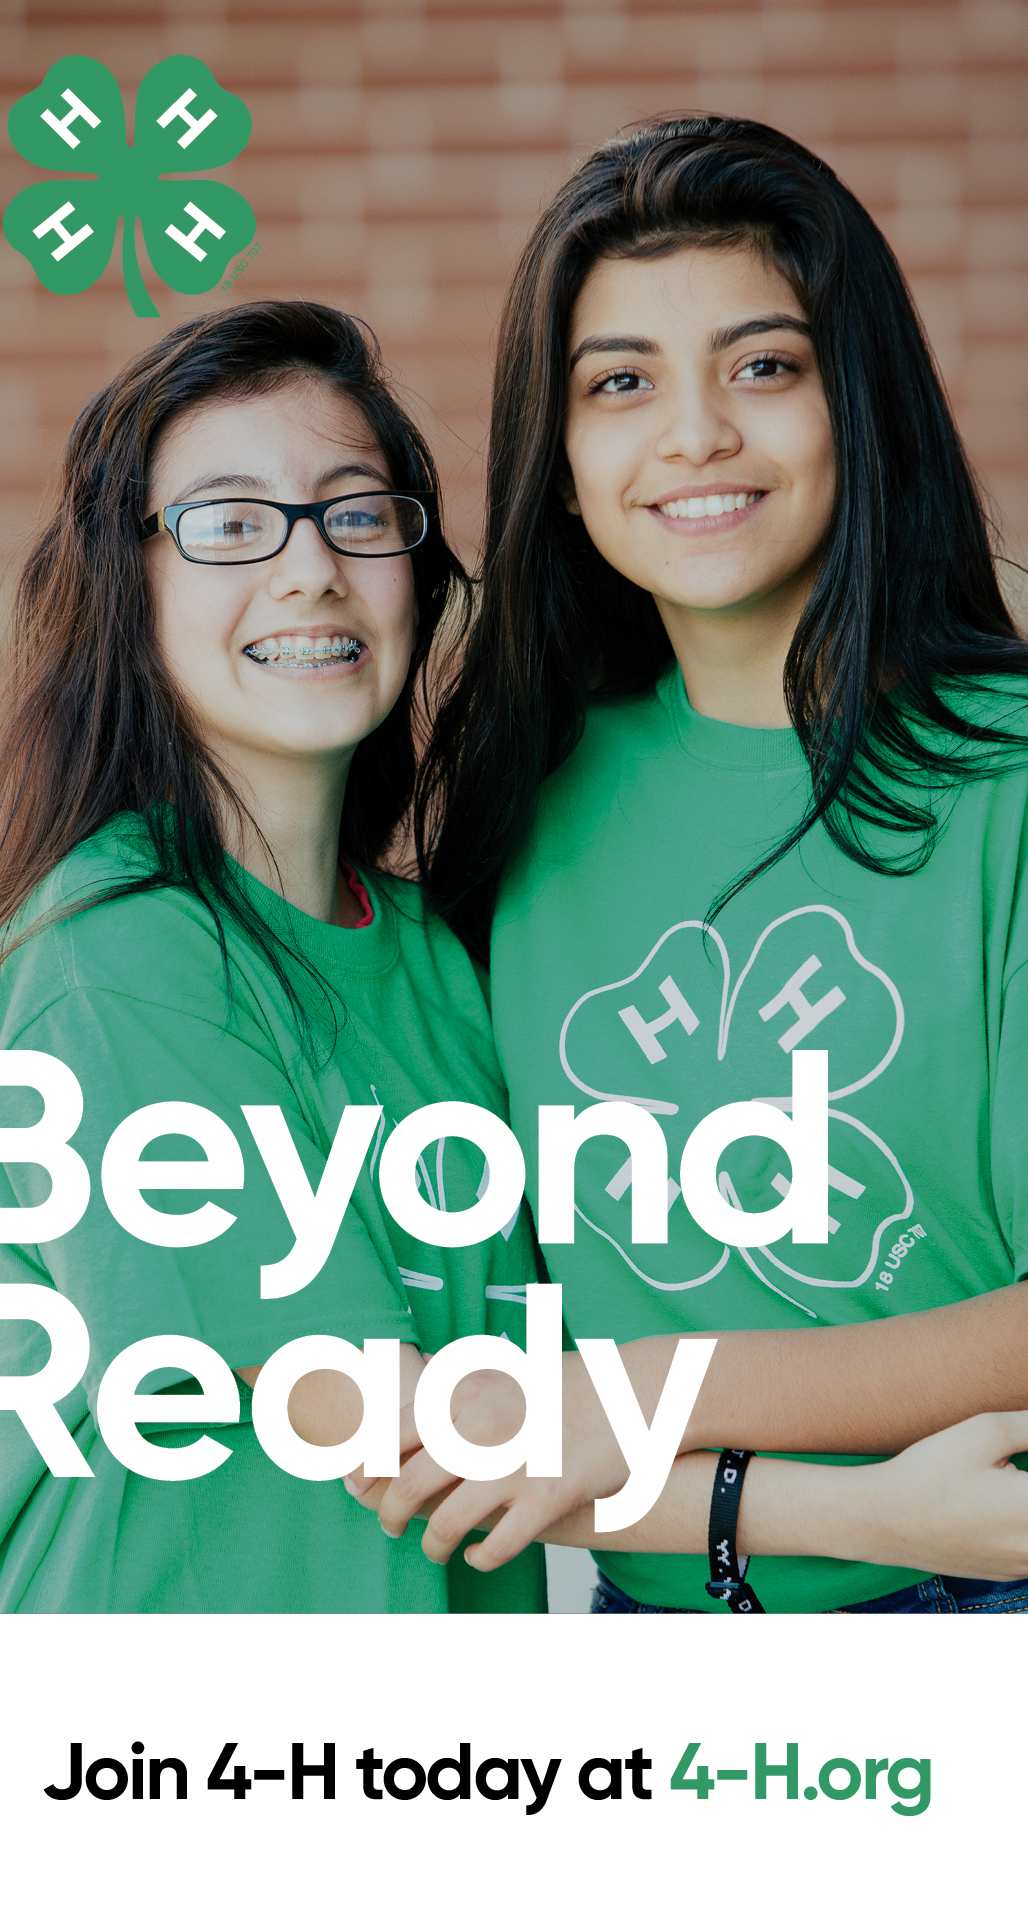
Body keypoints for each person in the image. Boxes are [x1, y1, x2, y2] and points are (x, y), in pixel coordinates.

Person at [352, 116, 1028, 1614]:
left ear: (859, 403)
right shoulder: (522, 796)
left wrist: (641, 1387)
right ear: (566, 456)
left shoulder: (1013, 775)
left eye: (764, 365)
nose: (697, 433)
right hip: (664, 1623)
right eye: (622, 384)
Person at [0, 300, 546, 1614]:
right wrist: (866, 1509)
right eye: (227, 524)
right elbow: (393, 1423)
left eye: (355, 510)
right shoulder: (111, 960)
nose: (309, 568)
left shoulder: (440, 963)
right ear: (130, 589)